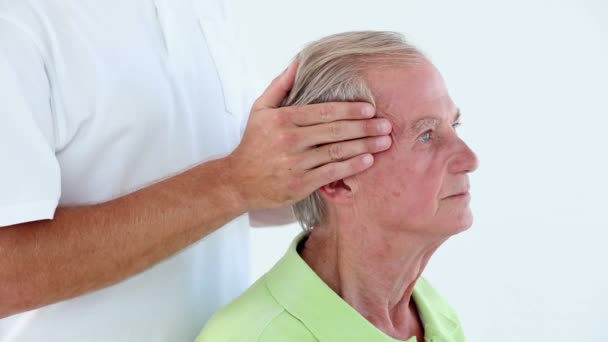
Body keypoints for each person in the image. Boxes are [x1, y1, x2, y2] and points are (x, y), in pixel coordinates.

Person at [0, 2, 394, 341]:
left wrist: (345, 163)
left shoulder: (202, 8)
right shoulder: (16, 19)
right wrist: (234, 184)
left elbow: (246, 192)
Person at [197, 31, 479, 342]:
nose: (469, 158)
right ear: (337, 179)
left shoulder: (432, 315)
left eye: (453, 125)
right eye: (425, 135)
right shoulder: (253, 337)